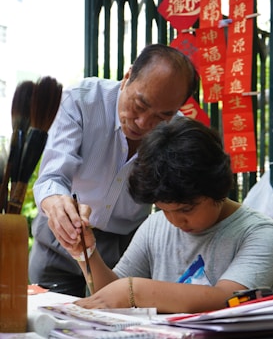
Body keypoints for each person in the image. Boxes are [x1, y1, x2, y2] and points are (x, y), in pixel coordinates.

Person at [28, 44, 199, 297]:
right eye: (139, 105)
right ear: (127, 77)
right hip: (59, 241)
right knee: (52, 326)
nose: (143, 123)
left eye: (162, 116)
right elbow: (52, 177)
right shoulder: (80, 100)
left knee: (117, 326)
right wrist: (55, 203)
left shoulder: (177, 133)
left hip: (124, 251)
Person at [61, 116, 273, 313]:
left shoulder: (260, 234)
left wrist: (134, 291)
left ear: (218, 188)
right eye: (164, 209)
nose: (175, 220)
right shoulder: (155, 225)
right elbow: (110, 296)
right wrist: (85, 252)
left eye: (186, 209)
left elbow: (227, 300)